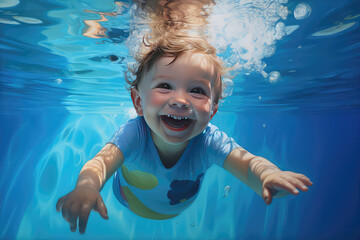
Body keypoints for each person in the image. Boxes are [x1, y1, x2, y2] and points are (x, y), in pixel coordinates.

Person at [55, 33, 313, 234]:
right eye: (165, 86)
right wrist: (87, 188)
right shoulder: (134, 133)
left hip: (174, 210)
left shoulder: (210, 141)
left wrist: (267, 176)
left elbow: (248, 164)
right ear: (138, 102)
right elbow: (100, 162)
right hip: (126, 198)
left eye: (197, 91)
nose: (180, 100)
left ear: (212, 111)